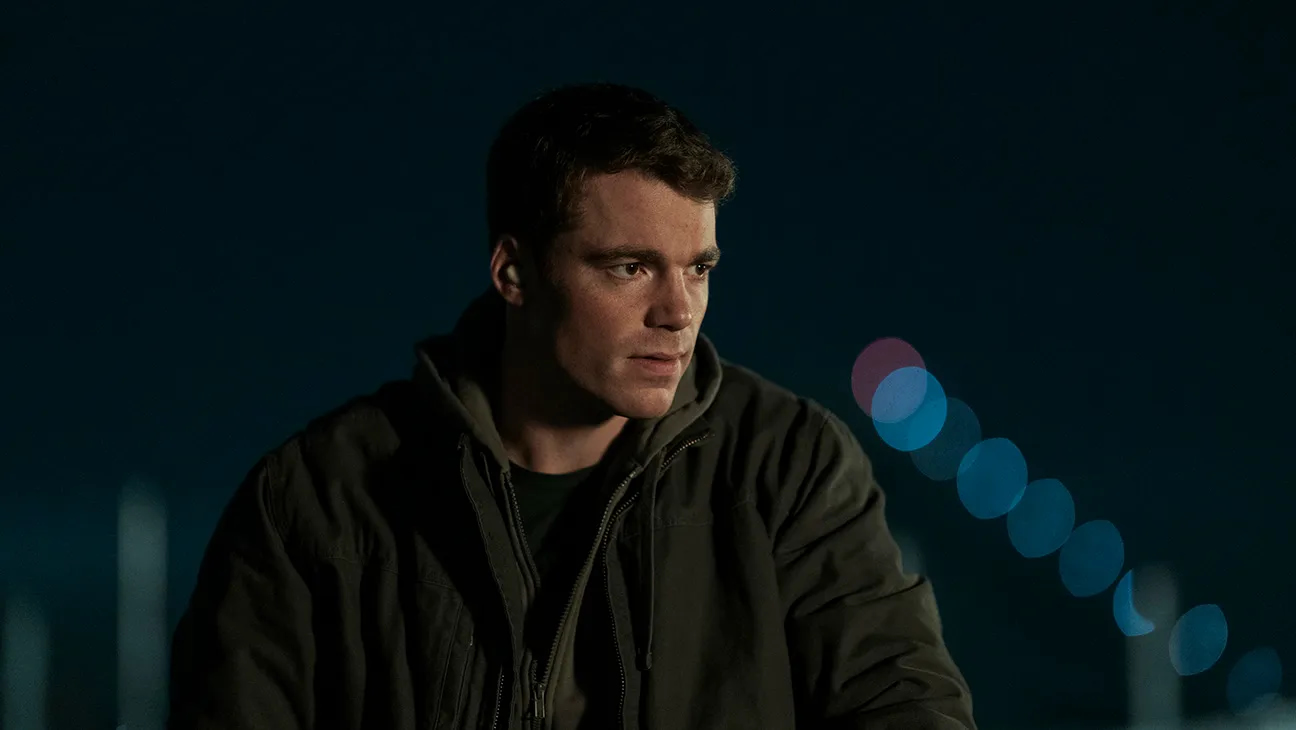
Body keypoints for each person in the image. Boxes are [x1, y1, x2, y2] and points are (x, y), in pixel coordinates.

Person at [168, 82, 975, 730]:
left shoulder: (787, 462)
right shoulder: (319, 498)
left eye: (698, 268)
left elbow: (903, 701)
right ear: (514, 273)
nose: (678, 312)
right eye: (630, 268)